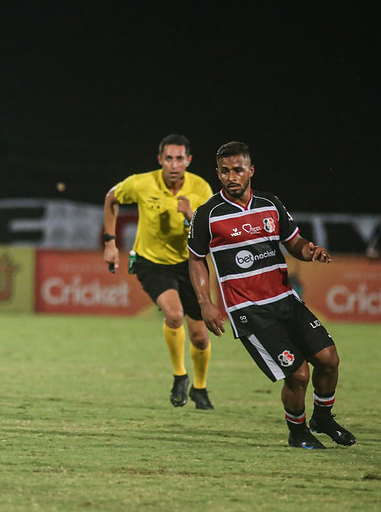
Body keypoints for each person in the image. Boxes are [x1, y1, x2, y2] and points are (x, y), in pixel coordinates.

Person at [188, 141, 355, 449]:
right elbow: (196, 258)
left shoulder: (270, 204)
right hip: (248, 310)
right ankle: (297, 432)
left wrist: (310, 251)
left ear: (250, 170)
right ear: (218, 174)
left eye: (238, 169)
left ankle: (323, 417)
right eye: (224, 171)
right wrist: (206, 303)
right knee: (299, 374)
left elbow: (294, 243)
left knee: (329, 359)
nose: (231, 177)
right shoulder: (207, 214)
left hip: (285, 299)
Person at [103, 133, 215, 409]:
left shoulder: (201, 188)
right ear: (160, 160)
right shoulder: (141, 183)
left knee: (200, 337)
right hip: (151, 262)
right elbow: (111, 198)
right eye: (169, 158)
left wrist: (192, 216)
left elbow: (212, 232)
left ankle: (200, 388)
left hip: (189, 264)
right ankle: (180, 375)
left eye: (180, 159)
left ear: (188, 160)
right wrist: (110, 242)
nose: (174, 164)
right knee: (174, 314)